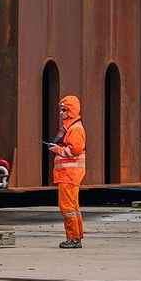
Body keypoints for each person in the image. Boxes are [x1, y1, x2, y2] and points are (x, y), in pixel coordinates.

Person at [48, 95, 87, 248]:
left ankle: (73, 238)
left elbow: (75, 150)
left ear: (70, 110)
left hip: (69, 175)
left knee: (67, 207)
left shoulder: (75, 129)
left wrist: (57, 149)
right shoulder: (72, 127)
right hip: (69, 175)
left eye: (63, 110)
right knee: (73, 207)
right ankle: (77, 236)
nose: (61, 113)